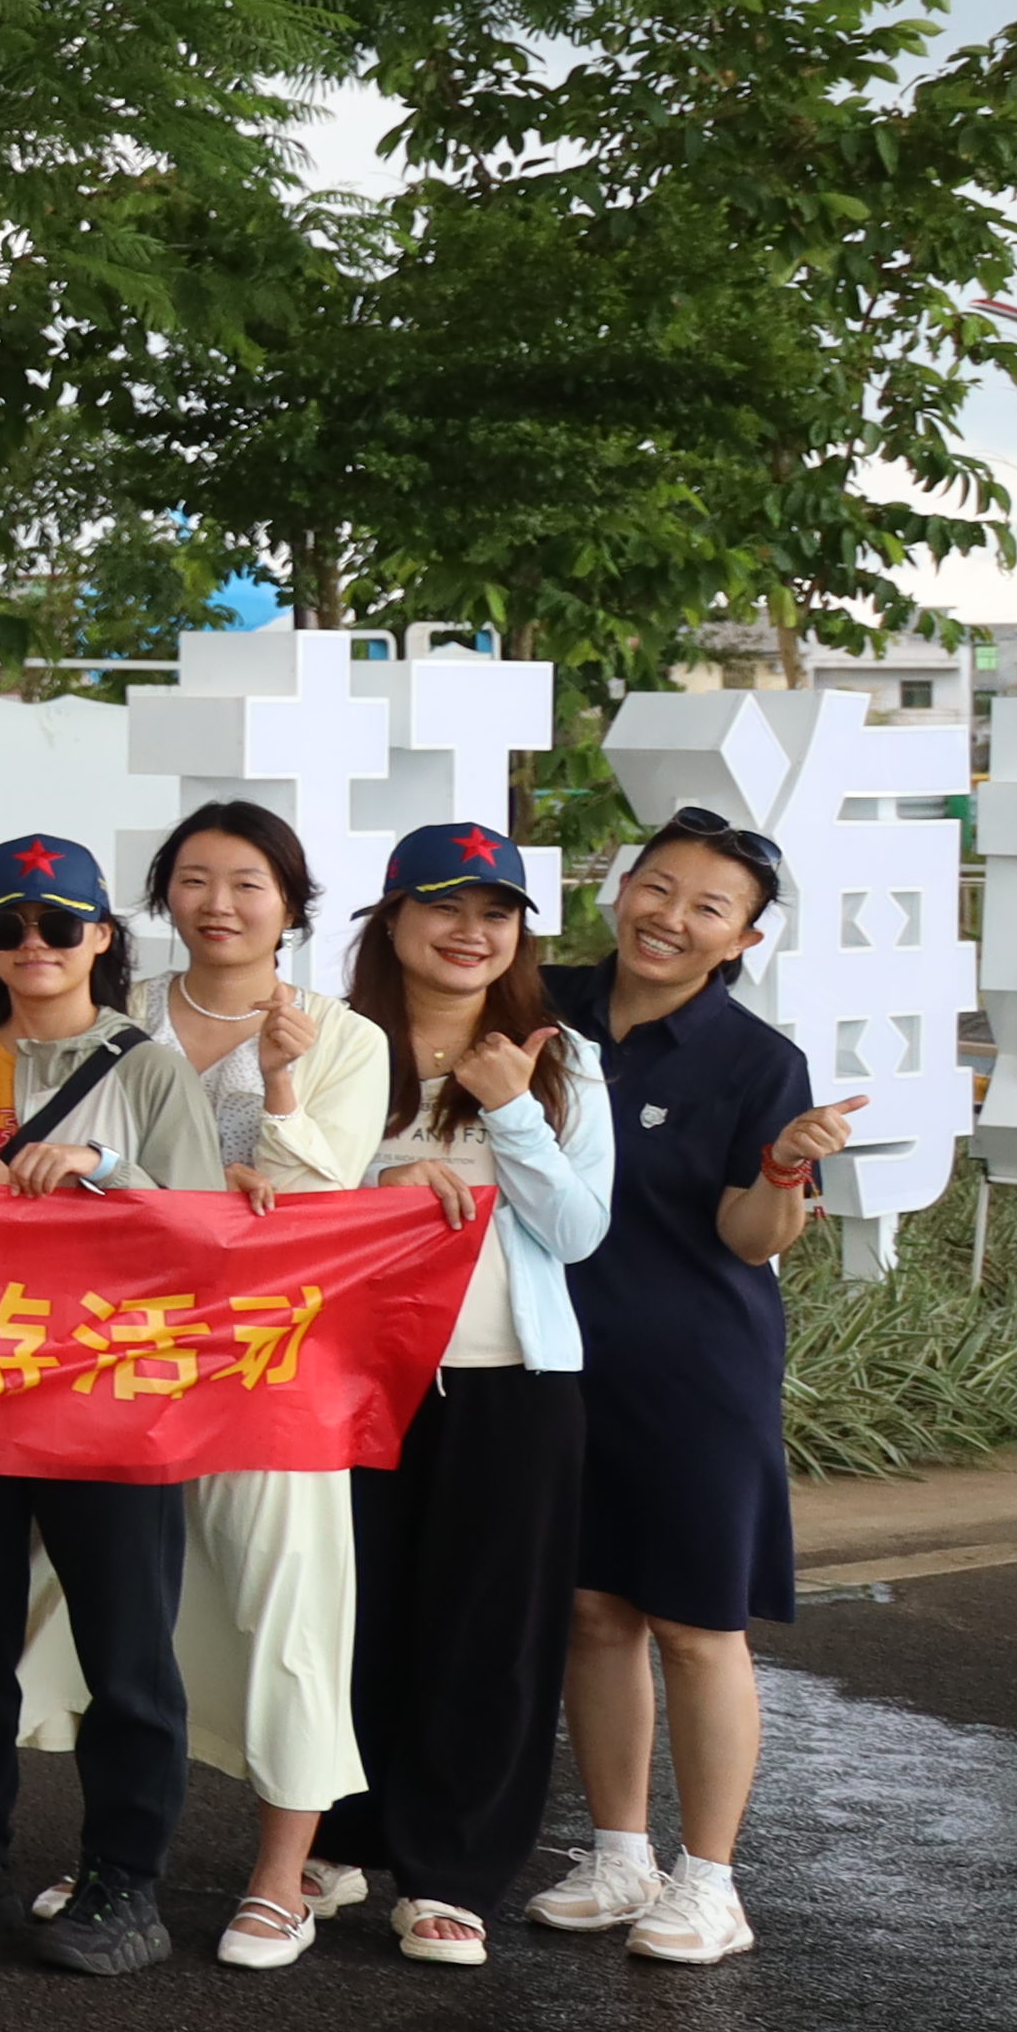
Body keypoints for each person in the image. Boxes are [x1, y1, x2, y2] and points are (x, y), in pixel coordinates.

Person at [536, 809, 862, 1970]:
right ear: (622, 887)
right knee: (592, 1611)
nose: (668, 916)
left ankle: (712, 1881)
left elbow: (750, 1234)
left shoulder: (758, 1060)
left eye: (707, 906)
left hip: (695, 1372)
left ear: (744, 940)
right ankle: (618, 1854)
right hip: (556, 1355)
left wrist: (783, 1166)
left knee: (695, 1623)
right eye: (656, 886)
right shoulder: (544, 1004)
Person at [0, 831, 228, 1980]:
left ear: (101, 937)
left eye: (58, 923)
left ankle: (125, 1880)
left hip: (112, 1394)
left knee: (127, 1652)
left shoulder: (148, 1067)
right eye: (7, 926)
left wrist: (106, 1168)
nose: (32, 943)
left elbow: (204, 1234)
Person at [317, 821, 618, 1968]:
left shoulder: (560, 1057)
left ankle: (451, 1871)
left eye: (496, 912)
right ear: (392, 918)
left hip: (515, 1386)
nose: (470, 931)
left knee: (491, 1633)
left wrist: (512, 1109)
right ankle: (339, 1836)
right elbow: (283, 1191)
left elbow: (578, 1231)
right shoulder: (340, 1047)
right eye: (444, 905)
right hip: (358, 1379)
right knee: (350, 1614)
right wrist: (393, 1172)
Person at [140, 797, 393, 1967]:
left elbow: (325, 1205)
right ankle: (120, 1861)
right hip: (128, 1359)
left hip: (276, 1359)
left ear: (290, 903)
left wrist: (282, 1087)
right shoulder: (123, 1014)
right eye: (196, 878)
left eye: (248, 882)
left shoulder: (343, 1036)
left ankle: (283, 1877)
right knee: (118, 1612)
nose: (220, 904)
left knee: (291, 1606)